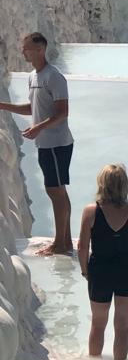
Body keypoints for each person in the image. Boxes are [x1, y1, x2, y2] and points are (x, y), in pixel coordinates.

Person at [0, 32, 74, 255]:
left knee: (56, 191)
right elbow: (33, 109)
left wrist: (38, 128)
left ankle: (60, 243)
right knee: (56, 191)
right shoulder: (34, 77)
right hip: (45, 143)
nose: (23, 51)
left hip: (57, 143)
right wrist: (3, 106)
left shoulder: (54, 76)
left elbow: (63, 112)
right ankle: (65, 241)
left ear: (40, 49)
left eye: (27, 48)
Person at [77, 164, 128, 360]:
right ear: (124, 185)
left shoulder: (91, 211)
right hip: (127, 271)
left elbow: (82, 247)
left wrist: (85, 272)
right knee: (123, 325)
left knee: (98, 324)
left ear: (102, 184)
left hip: (100, 271)